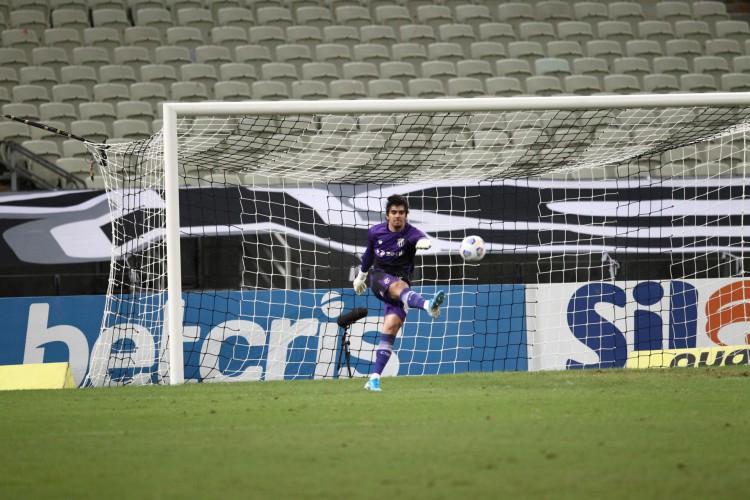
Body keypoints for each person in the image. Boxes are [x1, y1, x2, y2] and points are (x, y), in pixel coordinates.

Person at [353, 194, 445, 392]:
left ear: (406, 215)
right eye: (394, 212)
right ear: (387, 215)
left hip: (401, 285)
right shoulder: (375, 232)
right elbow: (369, 255)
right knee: (399, 287)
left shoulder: (411, 233)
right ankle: (427, 305)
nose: (397, 216)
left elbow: (421, 237)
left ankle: (374, 378)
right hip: (378, 278)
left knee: (391, 328)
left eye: (401, 213)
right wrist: (360, 277)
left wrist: (423, 241)